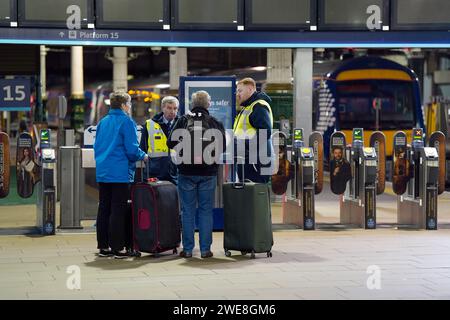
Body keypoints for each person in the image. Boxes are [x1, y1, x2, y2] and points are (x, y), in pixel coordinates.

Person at [167, 90, 226, 259]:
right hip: (208, 172)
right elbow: (223, 146)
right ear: (208, 104)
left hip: (186, 171)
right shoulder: (214, 122)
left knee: (187, 211)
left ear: (192, 104)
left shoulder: (183, 120)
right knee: (206, 211)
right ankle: (205, 250)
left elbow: (169, 142)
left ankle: (187, 249)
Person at [94, 92, 148, 259]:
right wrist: (143, 156)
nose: (129, 107)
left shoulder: (103, 122)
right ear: (124, 105)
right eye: (129, 104)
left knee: (104, 208)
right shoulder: (126, 122)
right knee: (118, 209)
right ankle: (118, 248)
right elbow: (132, 150)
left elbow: (98, 146)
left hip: (103, 172)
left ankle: (103, 246)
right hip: (119, 173)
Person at [233, 78, 274, 183]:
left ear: (250, 89)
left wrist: (244, 146)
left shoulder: (258, 106)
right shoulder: (247, 108)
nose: (237, 94)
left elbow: (265, 133)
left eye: (240, 91)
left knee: (255, 195)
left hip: (256, 162)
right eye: (237, 91)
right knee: (248, 195)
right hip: (249, 159)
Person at [139, 96, 179, 184]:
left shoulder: (182, 124)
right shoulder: (150, 124)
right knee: (154, 197)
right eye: (169, 108)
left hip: (175, 173)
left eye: (175, 108)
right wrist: (152, 164)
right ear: (163, 108)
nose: (172, 111)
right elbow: (143, 148)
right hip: (155, 173)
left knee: (175, 197)